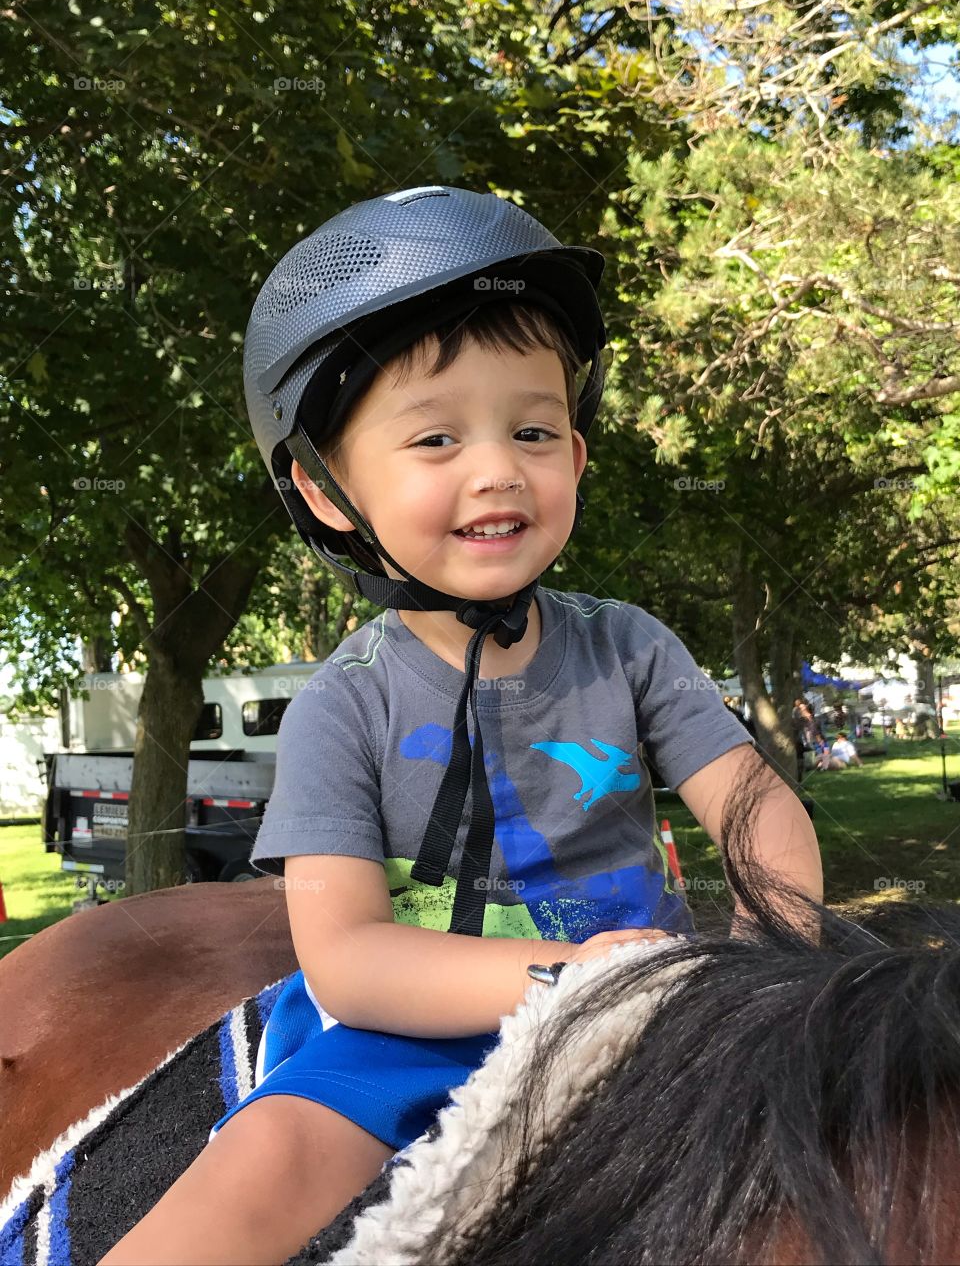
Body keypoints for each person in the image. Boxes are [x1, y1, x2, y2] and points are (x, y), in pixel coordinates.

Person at [99, 186, 822, 1266]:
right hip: (416, 1031)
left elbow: (751, 799)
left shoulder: (630, 646)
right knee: (262, 1162)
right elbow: (348, 957)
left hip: (654, 1005)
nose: (498, 468)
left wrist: (774, 944)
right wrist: (569, 976)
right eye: (435, 436)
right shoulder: (345, 702)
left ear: (576, 456)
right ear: (326, 490)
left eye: (533, 430)